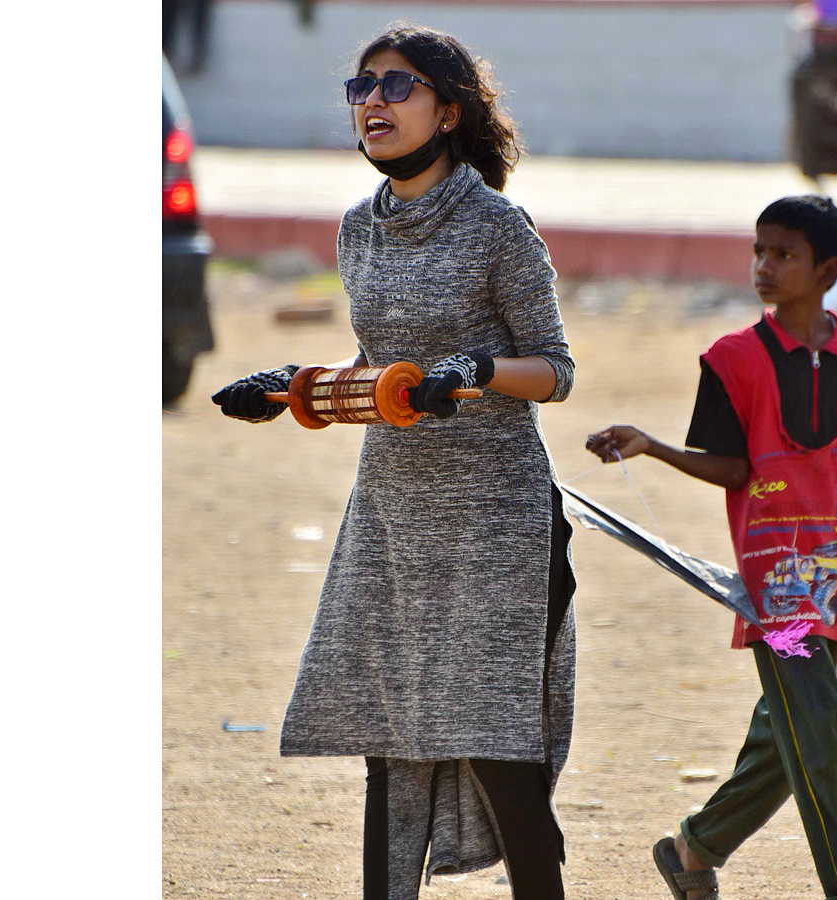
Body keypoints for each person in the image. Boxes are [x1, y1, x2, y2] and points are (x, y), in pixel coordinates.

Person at [211, 26, 577, 900]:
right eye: (361, 86)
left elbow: (557, 371)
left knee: (496, 747)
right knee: (391, 739)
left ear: (448, 111)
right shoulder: (357, 233)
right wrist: (295, 389)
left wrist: (478, 372)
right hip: (392, 516)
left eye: (397, 86)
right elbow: (383, 374)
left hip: (496, 526)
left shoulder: (497, 226)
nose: (372, 101)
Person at [585, 195, 837, 900]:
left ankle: (694, 848)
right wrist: (653, 447)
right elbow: (734, 467)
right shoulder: (731, 359)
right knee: (821, 731)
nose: (764, 266)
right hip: (778, 587)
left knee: (790, 734)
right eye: (759, 251)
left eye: (784, 254)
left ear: (827, 269)